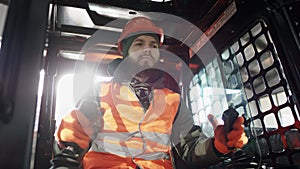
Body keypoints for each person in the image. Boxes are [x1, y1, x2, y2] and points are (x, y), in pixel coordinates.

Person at [50, 17, 248, 169]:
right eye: (139, 44)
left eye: (153, 46)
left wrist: (218, 146)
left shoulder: (173, 100)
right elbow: (73, 143)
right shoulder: (98, 92)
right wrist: (68, 139)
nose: (147, 49)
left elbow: (190, 148)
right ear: (124, 50)